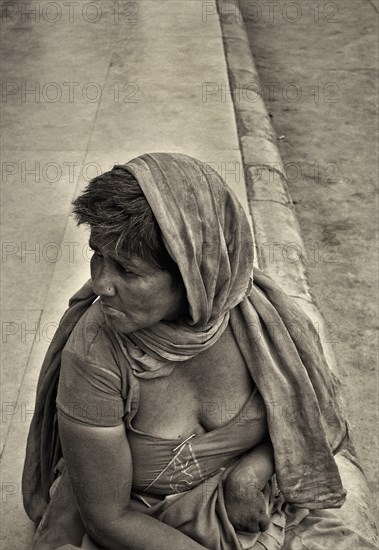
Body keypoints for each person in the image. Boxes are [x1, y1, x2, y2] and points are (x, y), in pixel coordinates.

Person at [22, 153, 376, 549]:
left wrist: (249, 475)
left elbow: (316, 419)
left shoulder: (265, 321)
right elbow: (109, 517)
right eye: (97, 255)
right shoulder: (94, 356)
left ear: (195, 274)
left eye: (128, 270)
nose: (101, 284)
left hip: (257, 510)